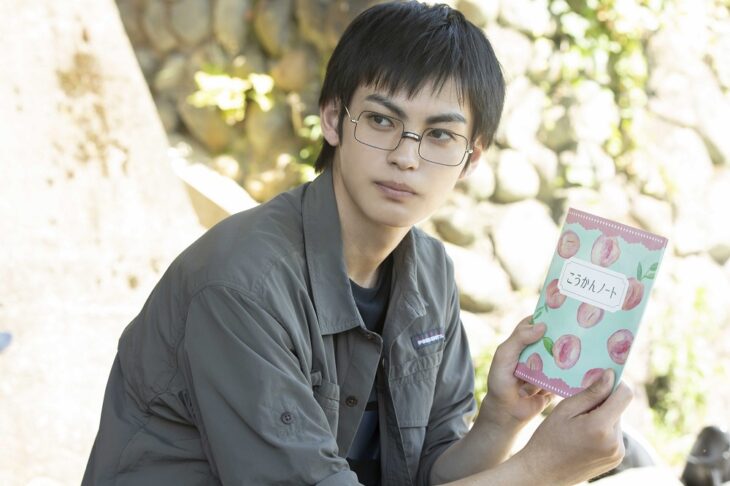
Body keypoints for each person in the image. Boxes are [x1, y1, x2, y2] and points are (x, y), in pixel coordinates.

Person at [82, 2, 632, 485]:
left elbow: (432, 470)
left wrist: (503, 418)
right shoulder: (241, 286)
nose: (406, 156)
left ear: (472, 158)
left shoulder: (429, 271)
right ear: (332, 119)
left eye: (440, 134)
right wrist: (542, 471)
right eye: (381, 120)